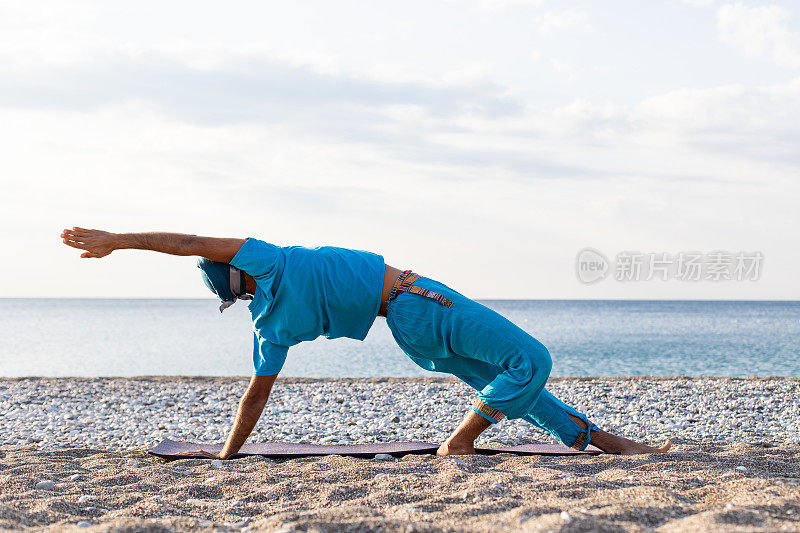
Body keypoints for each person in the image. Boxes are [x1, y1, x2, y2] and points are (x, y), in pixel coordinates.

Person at [60, 227, 671, 458]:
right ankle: (459, 442)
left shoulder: (267, 324)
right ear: (240, 268)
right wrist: (117, 239)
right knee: (531, 360)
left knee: (510, 380)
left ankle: (592, 437)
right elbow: (190, 241)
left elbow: (256, 395)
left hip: (410, 335)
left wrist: (228, 453)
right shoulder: (269, 261)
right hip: (411, 300)